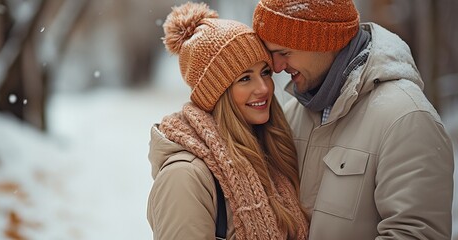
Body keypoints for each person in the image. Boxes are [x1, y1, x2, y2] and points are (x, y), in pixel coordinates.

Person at [251, 0, 455, 239]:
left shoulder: (407, 119)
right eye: (271, 54)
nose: (276, 67)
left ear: (324, 41)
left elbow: (414, 234)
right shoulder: (293, 114)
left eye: (284, 52)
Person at [147, 2, 309, 239]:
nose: (263, 88)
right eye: (245, 78)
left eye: (265, 72)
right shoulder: (185, 177)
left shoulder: (270, 153)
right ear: (216, 93)